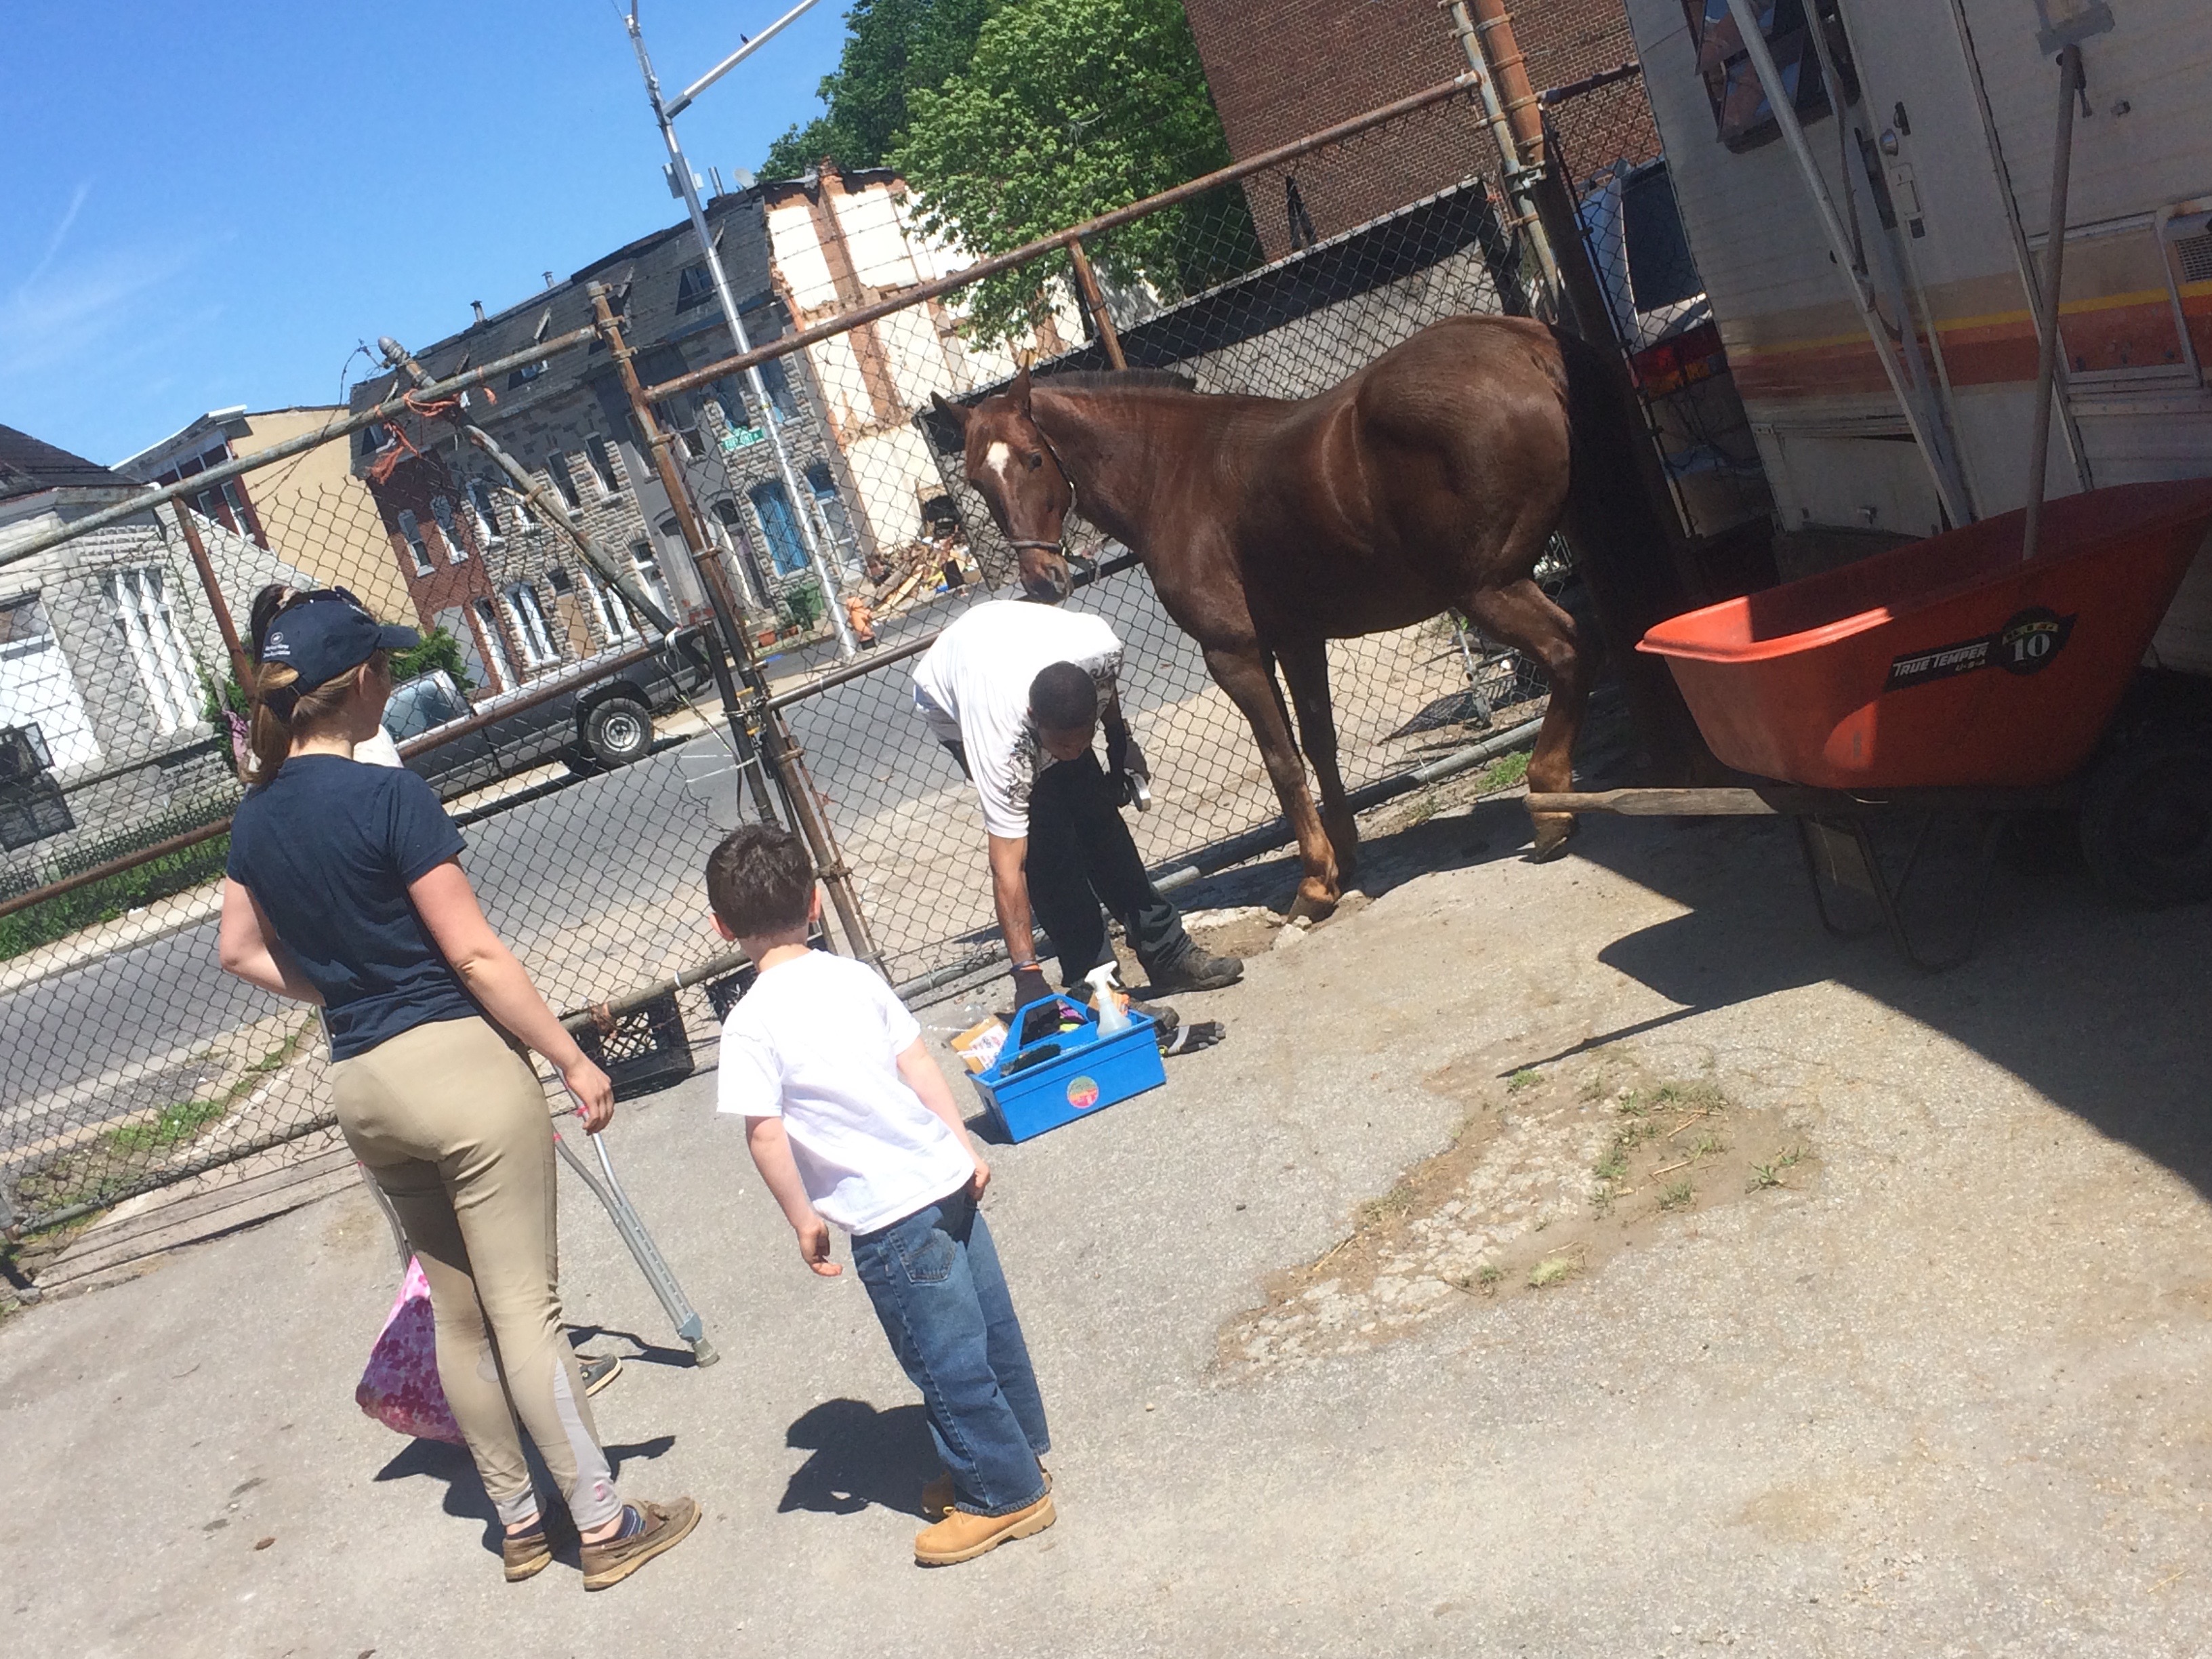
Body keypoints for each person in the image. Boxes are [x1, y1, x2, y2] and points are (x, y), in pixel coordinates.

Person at [215, 588, 695, 1591]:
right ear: (362, 682)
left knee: (459, 1315)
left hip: (365, 1083)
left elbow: (239, 950)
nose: (391, 679)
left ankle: (520, 1524)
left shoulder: (254, 819)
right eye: (385, 667)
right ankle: (603, 1523)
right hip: (459, 1071)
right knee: (528, 1311)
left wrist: (342, 987)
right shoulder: (390, 798)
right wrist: (570, 1058)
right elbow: (474, 955)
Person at [707, 823, 1055, 1567]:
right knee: (990, 1330)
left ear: (723, 927)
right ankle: (1014, 1452)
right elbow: (916, 1062)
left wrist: (803, 1218)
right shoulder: (856, 977)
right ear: (814, 904)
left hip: (890, 1217)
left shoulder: (749, 1024)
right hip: (943, 1178)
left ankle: (1006, 1494)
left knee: (941, 1358)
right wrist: (962, 1146)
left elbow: (765, 1134)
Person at [912, 597, 1242, 1017]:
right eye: (1063, 745)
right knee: (1048, 847)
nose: (1073, 752)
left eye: (1082, 741)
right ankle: (1097, 982)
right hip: (956, 693)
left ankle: (1168, 953)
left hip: (1023, 658)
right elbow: (1007, 867)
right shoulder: (1002, 745)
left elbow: (1102, 696)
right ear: (1034, 719)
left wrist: (1120, 741)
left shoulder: (1100, 653)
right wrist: (1026, 973)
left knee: (1099, 820)